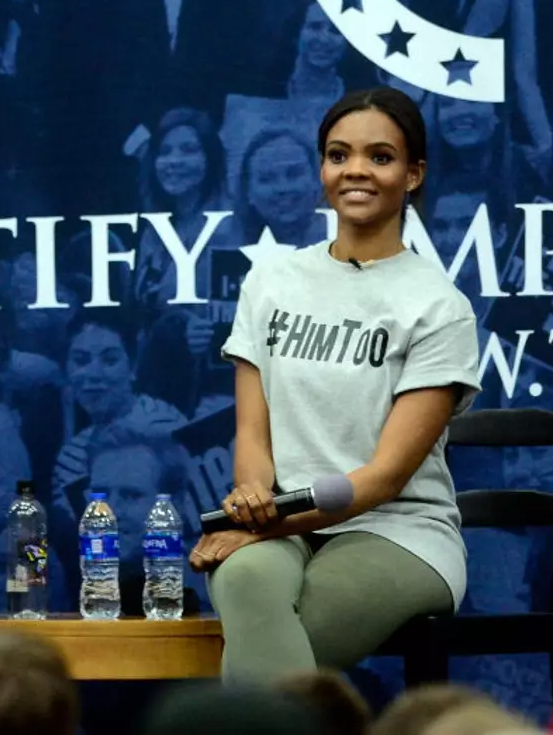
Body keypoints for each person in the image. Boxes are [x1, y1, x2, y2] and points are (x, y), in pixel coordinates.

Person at [191, 86, 480, 681]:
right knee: (243, 581)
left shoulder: (438, 307)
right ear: (322, 167)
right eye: (338, 154)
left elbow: (383, 479)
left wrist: (266, 522)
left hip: (400, 532)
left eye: (380, 157)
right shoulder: (270, 283)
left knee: (288, 634)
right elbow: (252, 434)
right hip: (283, 526)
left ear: (414, 173)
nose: (356, 171)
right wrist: (250, 499)